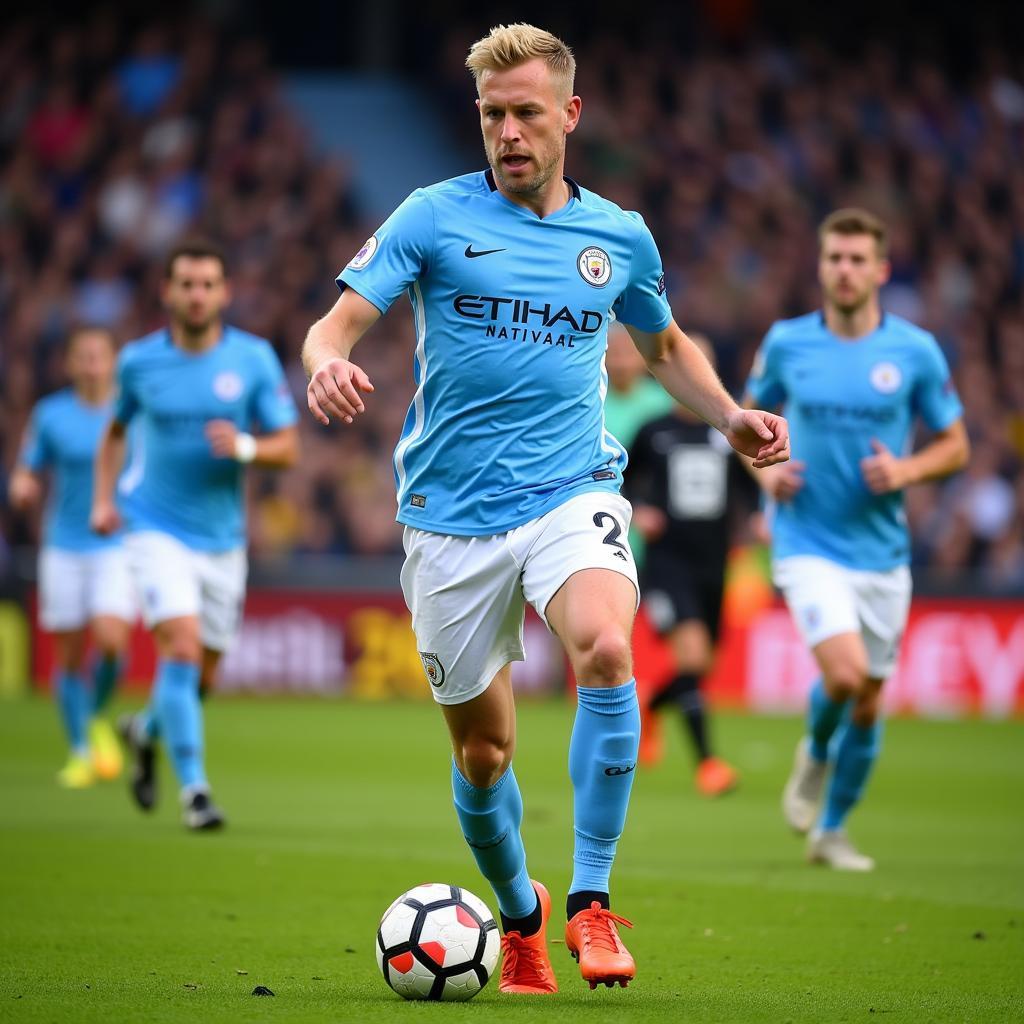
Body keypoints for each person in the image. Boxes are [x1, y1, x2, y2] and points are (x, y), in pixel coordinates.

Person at [302, 24, 789, 993]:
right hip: (448, 517)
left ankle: (590, 904)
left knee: (608, 647)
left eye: (526, 112)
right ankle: (517, 914)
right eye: (492, 115)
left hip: (573, 488)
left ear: (569, 116)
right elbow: (334, 325)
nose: (508, 132)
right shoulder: (432, 217)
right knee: (484, 755)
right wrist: (325, 365)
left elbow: (662, 347)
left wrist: (730, 413)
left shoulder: (618, 236)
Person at [743, 208, 968, 871]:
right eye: (833, 257)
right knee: (843, 675)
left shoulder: (915, 351)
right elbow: (746, 430)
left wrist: (906, 469)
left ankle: (832, 831)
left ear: (879, 270)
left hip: (882, 551)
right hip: (806, 539)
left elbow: (956, 445)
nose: (843, 269)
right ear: (821, 266)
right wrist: (769, 475)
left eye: (855, 259)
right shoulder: (786, 343)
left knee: (869, 698)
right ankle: (814, 753)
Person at [91, 239, 299, 830]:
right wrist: (104, 500)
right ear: (168, 291)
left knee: (200, 676)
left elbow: (288, 447)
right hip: (152, 526)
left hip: (222, 539)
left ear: (225, 292)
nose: (197, 294)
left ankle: (146, 729)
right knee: (179, 647)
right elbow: (113, 432)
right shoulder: (137, 362)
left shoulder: (252, 360)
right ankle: (196, 791)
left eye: (208, 283)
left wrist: (245, 446)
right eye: (186, 283)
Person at [9, 326, 133, 788]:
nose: (91, 365)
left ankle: (95, 716)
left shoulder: (130, 411)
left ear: (112, 361)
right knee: (67, 656)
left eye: (99, 356)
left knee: (112, 641)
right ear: (69, 364)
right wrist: (22, 484)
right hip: (63, 543)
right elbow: (27, 466)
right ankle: (81, 749)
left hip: (116, 543)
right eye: (82, 357)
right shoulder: (52, 414)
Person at [626, 332, 744, 796]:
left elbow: (748, 491)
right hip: (667, 564)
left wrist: (756, 520)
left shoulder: (726, 433)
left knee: (701, 664)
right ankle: (709, 764)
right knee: (692, 656)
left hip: (714, 564)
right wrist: (639, 509)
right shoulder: (654, 432)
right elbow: (617, 481)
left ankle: (652, 705)